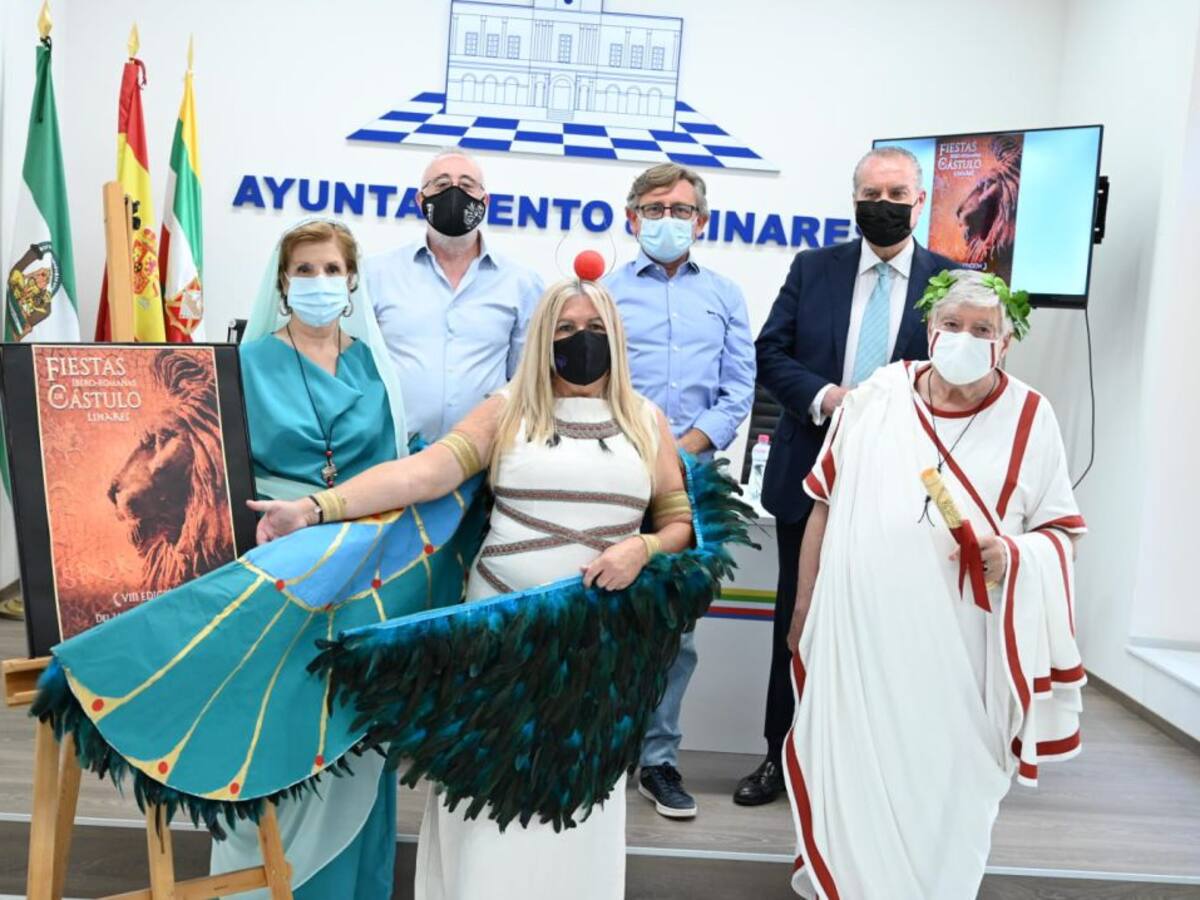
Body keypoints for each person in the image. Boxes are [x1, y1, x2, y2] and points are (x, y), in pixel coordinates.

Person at [250, 278, 696, 900]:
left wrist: (641, 548)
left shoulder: (646, 421)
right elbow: (423, 474)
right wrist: (313, 508)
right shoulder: (509, 407)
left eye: (595, 329)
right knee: (489, 808)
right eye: (566, 329)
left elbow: (679, 524)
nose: (581, 341)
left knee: (579, 809)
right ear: (542, 338)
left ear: (617, 338)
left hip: (596, 654)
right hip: (498, 646)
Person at [783, 270, 1086, 899]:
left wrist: (1015, 554)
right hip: (860, 636)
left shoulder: (1031, 416)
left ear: (1006, 342)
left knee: (950, 786)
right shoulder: (877, 397)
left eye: (983, 329)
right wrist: (804, 607)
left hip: (962, 650)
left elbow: (1062, 530)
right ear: (930, 328)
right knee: (854, 771)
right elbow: (823, 504)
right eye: (953, 324)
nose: (965, 337)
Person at [743, 146, 956, 806]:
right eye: (872, 194)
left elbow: (961, 377)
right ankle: (779, 757)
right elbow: (770, 352)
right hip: (809, 473)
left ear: (920, 202)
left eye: (897, 195)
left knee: (884, 627)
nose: (883, 205)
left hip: (904, 488)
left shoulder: (951, 282)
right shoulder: (814, 268)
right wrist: (827, 397)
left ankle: (865, 772)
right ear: (854, 199)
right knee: (798, 618)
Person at [212, 217, 408, 898]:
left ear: (352, 281)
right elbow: (221, 473)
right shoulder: (246, 364)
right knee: (275, 731)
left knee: (352, 736)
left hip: (364, 577)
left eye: (331, 269)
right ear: (282, 282)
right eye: (305, 270)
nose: (319, 282)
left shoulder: (375, 367)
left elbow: (396, 466)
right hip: (274, 571)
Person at [605, 163, 755, 819]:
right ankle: (599, 749)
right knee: (602, 615)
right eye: (655, 208)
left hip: (692, 481)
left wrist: (681, 449)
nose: (669, 220)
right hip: (614, 475)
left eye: (682, 209)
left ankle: (658, 760)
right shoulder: (602, 295)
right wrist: (639, 451)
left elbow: (738, 390)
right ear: (632, 217)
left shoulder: (725, 295)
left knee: (677, 630)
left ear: (703, 221)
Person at [365, 148, 543, 441]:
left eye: (467, 185)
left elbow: (524, 378)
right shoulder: (376, 275)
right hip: (392, 450)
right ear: (420, 200)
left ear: (484, 201)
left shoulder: (521, 284)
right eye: (442, 184)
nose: (454, 193)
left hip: (485, 454)